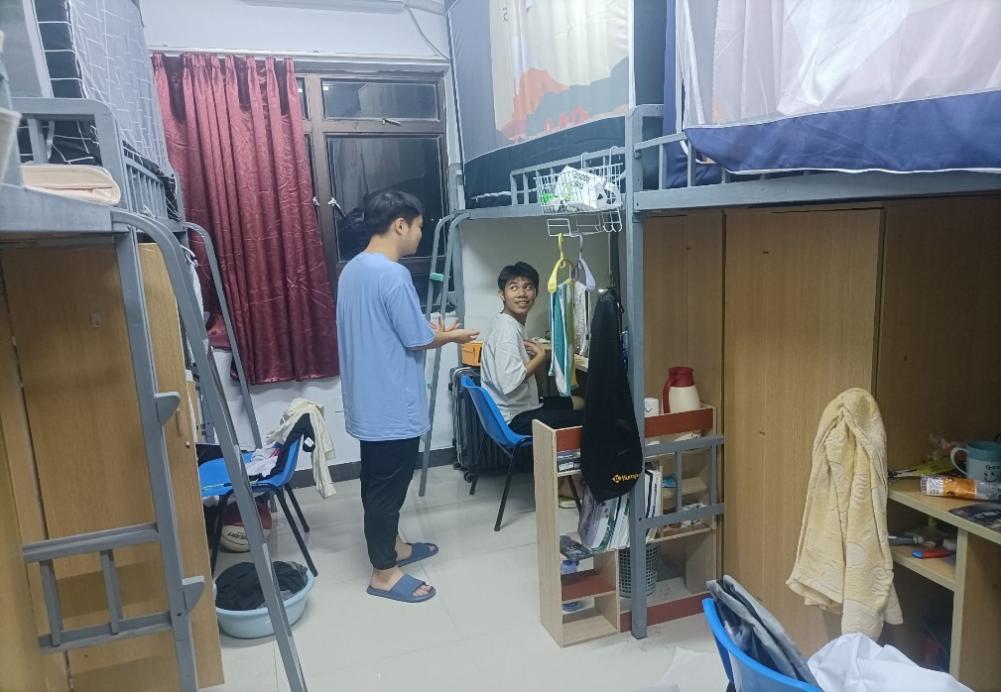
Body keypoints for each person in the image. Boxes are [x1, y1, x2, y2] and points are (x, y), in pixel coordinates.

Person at [337, 190, 478, 603]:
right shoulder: (393, 275)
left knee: (377, 480)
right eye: (418, 226)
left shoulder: (353, 270)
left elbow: (387, 329)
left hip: (367, 401)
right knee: (388, 488)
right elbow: (417, 338)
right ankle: (384, 572)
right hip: (391, 404)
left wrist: (430, 330)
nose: (419, 234)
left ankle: (395, 546)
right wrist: (455, 335)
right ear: (400, 224)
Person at [480, 261, 584, 437]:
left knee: (579, 402)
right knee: (590, 419)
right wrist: (540, 357)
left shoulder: (507, 322)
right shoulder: (506, 331)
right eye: (514, 287)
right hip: (515, 419)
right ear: (502, 294)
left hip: (523, 407)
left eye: (528, 287)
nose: (522, 293)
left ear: (536, 292)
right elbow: (509, 381)